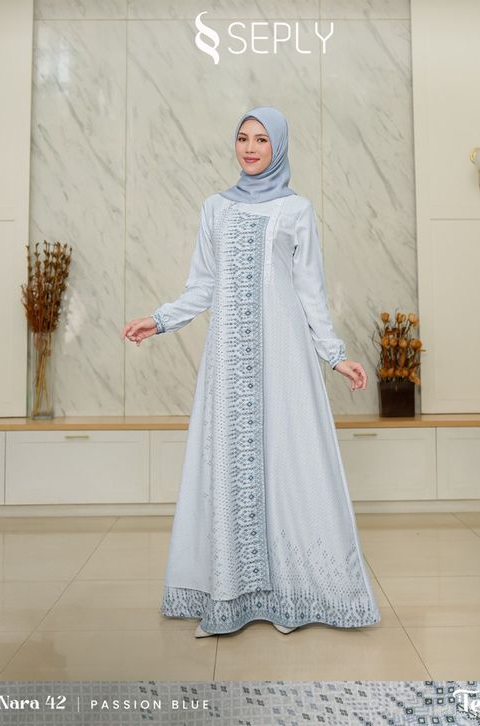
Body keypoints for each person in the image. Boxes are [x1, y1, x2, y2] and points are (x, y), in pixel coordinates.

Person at [121, 106, 381, 637]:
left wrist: (335, 355)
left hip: (284, 358)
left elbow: (310, 291)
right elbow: (204, 284)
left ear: (278, 147)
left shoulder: (296, 210)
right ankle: (231, 591)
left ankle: (294, 591)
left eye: (262, 139)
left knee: (286, 462)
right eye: (243, 138)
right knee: (231, 464)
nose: (250, 148)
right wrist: (161, 319)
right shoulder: (215, 209)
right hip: (230, 360)